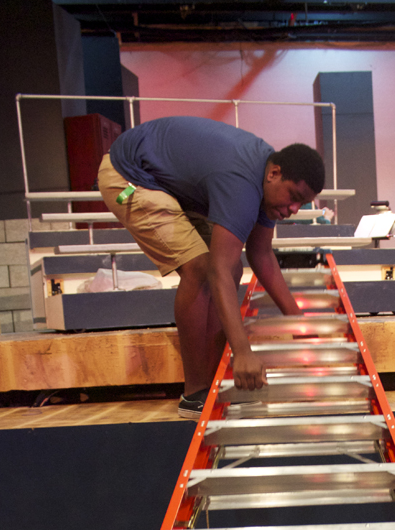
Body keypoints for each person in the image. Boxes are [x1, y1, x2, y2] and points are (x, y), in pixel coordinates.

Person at [97, 116, 325, 418]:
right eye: (294, 198)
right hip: (129, 175)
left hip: (164, 180)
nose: (294, 210)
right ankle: (194, 394)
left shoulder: (266, 185)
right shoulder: (242, 184)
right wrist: (243, 351)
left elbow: (261, 254)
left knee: (232, 270)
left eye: (302, 204)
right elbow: (216, 270)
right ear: (274, 173)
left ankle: (217, 382)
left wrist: (299, 323)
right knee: (202, 269)